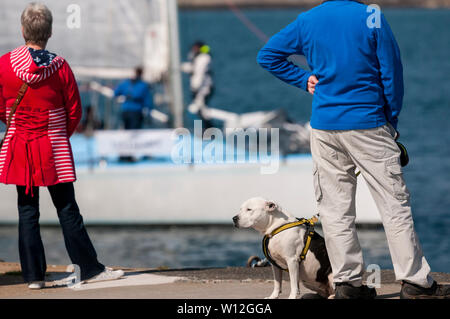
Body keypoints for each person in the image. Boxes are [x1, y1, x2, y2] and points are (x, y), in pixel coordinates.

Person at [257, 0, 449, 299]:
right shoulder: (371, 16)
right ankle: (415, 282)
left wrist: (302, 78)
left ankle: (348, 284)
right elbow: (392, 71)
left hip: (324, 127)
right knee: (393, 204)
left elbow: (268, 55)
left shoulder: (308, 19)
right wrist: (391, 119)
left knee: (335, 209)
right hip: (368, 123)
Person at [0, 3, 123, 289]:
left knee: (27, 210)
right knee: (67, 208)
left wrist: (15, 124)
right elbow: (75, 111)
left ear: (22, 30)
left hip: (21, 144)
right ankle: (89, 268)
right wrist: (58, 134)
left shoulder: (5, 64)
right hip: (53, 146)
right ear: (50, 32)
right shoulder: (59, 66)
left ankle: (34, 277)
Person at [181, 41, 214, 119]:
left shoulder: (202, 58)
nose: (193, 50)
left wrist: (195, 87)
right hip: (202, 89)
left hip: (203, 89)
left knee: (198, 110)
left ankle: (205, 129)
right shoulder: (200, 58)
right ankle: (204, 128)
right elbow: (193, 68)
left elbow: (199, 72)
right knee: (200, 111)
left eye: (195, 48)